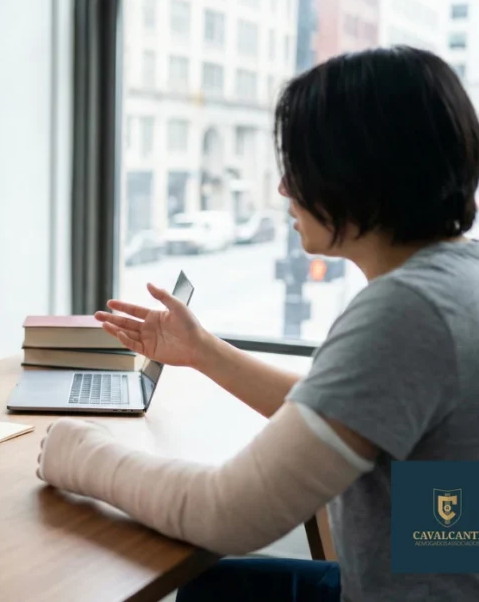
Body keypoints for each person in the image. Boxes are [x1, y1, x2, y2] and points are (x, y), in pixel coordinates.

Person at [37, 46, 479, 601]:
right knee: (211, 587)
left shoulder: (408, 312)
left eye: (298, 165)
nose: (284, 189)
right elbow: (359, 410)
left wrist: (77, 453)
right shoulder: (459, 279)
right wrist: (202, 351)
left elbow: (226, 513)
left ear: (358, 170)